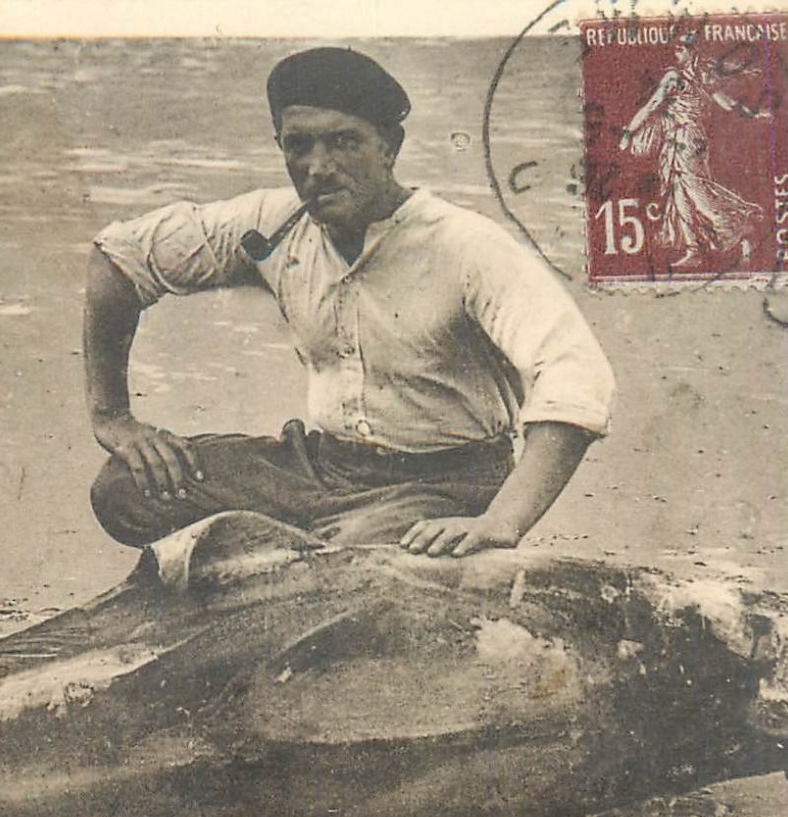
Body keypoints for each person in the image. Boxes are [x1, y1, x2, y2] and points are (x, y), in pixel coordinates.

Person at [86, 47, 614, 557]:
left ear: (390, 146)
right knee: (124, 489)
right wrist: (114, 419)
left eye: (343, 142)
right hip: (319, 470)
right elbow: (122, 257)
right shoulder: (272, 225)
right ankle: (301, 557)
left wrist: (501, 522)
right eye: (299, 145)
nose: (318, 167)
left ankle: (300, 560)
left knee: (353, 558)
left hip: (444, 483)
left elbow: (577, 374)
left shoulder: (466, 245)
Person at [618, 33, 768, 268]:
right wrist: (753, 114)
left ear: (692, 52)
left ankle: (743, 225)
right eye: (676, 47)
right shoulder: (702, 79)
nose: (676, 52)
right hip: (689, 140)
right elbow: (726, 103)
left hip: (684, 139)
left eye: (681, 48)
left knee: (696, 193)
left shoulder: (674, 78)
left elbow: (652, 105)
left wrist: (629, 132)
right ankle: (694, 248)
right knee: (681, 193)